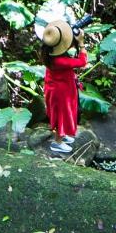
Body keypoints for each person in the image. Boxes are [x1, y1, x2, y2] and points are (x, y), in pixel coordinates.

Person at [40, 19, 87, 155]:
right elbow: (82, 61)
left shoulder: (48, 52)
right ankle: (57, 143)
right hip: (61, 92)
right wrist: (81, 43)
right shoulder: (60, 60)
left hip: (57, 89)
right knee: (62, 115)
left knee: (64, 115)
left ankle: (62, 134)